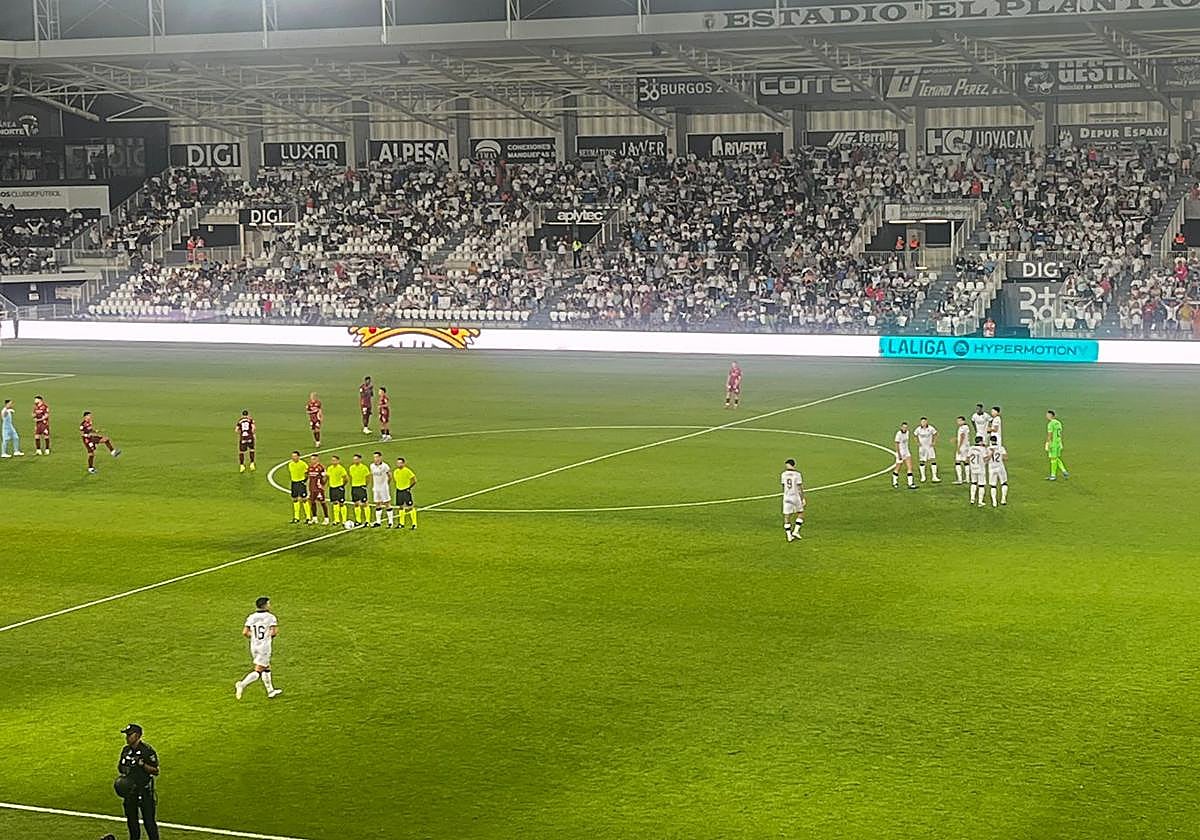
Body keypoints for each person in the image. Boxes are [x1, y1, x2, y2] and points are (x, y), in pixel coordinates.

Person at [116, 723, 159, 840]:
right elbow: (120, 768)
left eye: (130, 735)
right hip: (130, 792)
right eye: (127, 735)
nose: (127, 737)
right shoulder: (125, 751)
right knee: (132, 822)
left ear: (138, 735)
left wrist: (142, 765)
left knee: (149, 823)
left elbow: (155, 770)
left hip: (144, 791)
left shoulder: (147, 751)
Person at [235, 596, 282, 700]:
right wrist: (266, 636)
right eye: (269, 603)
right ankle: (242, 684)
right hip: (264, 647)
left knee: (266, 667)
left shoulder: (251, 617)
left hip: (254, 646)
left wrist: (255, 637)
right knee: (258, 670)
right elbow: (274, 632)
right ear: (265, 605)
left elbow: (245, 632)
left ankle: (270, 691)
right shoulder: (271, 617)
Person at [780, 458, 805, 542]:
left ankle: (789, 536)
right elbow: (799, 487)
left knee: (787, 516)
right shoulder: (797, 474)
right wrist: (803, 498)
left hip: (786, 497)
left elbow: (783, 486)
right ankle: (796, 531)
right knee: (800, 513)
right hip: (795, 497)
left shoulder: (783, 474)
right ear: (794, 465)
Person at [392, 456, 417, 530]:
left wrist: (409, 487)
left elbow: (414, 480)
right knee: (400, 507)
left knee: (410, 507)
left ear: (403, 463)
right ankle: (401, 523)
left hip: (406, 490)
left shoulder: (407, 471)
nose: (398, 464)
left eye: (400, 463)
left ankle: (414, 524)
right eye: (397, 463)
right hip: (399, 490)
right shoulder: (395, 471)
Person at [369, 451, 392, 527]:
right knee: (378, 504)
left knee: (387, 503)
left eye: (377, 457)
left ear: (380, 457)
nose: (375, 459)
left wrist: (386, 484)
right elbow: (372, 476)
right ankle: (378, 522)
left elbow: (390, 476)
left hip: (383, 488)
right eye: (374, 457)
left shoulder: (385, 466)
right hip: (376, 488)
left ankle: (390, 522)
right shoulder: (372, 466)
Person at [1045, 409, 1069, 480]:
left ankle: (1053, 475)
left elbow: (1050, 435)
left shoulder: (1050, 424)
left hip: (1053, 444)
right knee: (1056, 458)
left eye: (1047, 414)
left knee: (1053, 459)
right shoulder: (1058, 423)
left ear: (1050, 415)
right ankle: (1064, 471)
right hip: (1059, 443)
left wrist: (1048, 443)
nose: (1046, 416)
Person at [914, 417, 940, 483]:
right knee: (922, 461)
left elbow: (936, 434)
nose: (923, 423)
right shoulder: (918, 429)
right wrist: (917, 442)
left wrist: (934, 442)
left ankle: (934, 477)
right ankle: (923, 477)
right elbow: (915, 435)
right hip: (922, 448)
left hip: (930, 447)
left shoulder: (931, 428)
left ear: (927, 422)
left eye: (924, 422)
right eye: (922, 422)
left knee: (933, 460)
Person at [348, 453, 371, 525]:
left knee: (365, 503)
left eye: (357, 459)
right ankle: (358, 520)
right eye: (354, 459)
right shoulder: (351, 467)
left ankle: (367, 520)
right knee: (356, 504)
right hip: (354, 487)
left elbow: (368, 477)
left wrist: (365, 485)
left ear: (360, 459)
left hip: (361, 487)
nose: (355, 460)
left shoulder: (364, 468)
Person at [306, 454, 329, 525]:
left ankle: (326, 518)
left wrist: (322, 485)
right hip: (312, 488)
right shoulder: (310, 467)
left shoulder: (321, 467)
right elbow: (307, 475)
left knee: (322, 502)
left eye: (314, 459)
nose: (312, 460)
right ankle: (314, 518)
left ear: (317, 459)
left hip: (319, 488)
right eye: (311, 459)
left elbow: (326, 477)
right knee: (312, 502)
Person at [892, 422, 916, 490]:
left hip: (906, 452)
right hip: (900, 452)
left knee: (910, 467)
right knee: (898, 467)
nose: (905, 428)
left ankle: (910, 483)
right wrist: (899, 454)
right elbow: (896, 444)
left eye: (906, 427)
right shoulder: (898, 434)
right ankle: (895, 482)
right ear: (901, 427)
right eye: (903, 427)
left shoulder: (907, 433)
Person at [286, 450, 308, 523]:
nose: (293, 458)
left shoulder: (303, 464)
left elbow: (307, 473)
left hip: (301, 482)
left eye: (295, 456)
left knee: (304, 499)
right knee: (295, 499)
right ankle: (296, 517)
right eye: (292, 456)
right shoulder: (290, 464)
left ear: (298, 457)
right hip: (294, 483)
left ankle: (308, 517)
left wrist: (304, 481)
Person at [327, 454, 349, 525]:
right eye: (332, 460)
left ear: (338, 461)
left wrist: (342, 486)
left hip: (339, 487)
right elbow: (327, 477)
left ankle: (344, 520)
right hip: (332, 488)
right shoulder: (329, 468)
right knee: (335, 503)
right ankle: (336, 520)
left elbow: (346, 478)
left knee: (341, 503)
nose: (333, 462)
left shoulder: (341, 468)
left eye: (335, 460)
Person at [988, 434, 1009, 506]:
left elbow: (985, 459)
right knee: (1004, 483)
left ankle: (994, 502)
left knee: (993, 485)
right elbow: (1006, 458)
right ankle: (1003, 499)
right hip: (1000, 467)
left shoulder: (988, 449)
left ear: (990, 441)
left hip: (991, 468)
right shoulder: (1001, 448)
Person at [967, 435, 988, 507]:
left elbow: (968, 458)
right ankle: (980, 501)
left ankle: (972, 499)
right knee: (981, 485)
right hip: (980, 468)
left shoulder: (971, 448)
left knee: (973, 483)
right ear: (981, 441)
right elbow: (985, 459)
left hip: (973, 468)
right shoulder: (982, 449)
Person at [953, 416, 970, 485]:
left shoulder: (962, 428)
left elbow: (962, 437)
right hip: (967, 446)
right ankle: (968, 479)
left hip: (962, 446)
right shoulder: (967, 427)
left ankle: (959, 479)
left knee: (957, 462)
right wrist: (957, 439)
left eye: (959, 421)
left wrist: (958, 447)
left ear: (963, 421)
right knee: (966, 462)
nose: (958, 422)